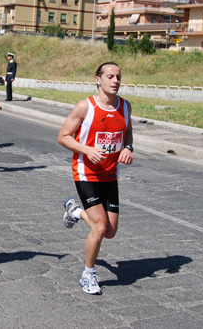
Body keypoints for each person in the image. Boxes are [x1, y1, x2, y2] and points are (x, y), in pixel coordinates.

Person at [58, 61, 133, 295]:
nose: (115, 81)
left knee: (110, 232)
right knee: (99, 227)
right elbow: (63, 136)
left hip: (110, 174)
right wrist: (86, 149)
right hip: (86, 172)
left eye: (118, 77)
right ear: (98, 80)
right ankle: (88, 274)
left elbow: (127, 132)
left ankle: (75, 212)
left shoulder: (126, 107)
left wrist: (128, 147)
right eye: (110, 76)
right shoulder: (85, 107)